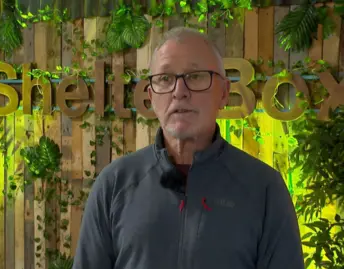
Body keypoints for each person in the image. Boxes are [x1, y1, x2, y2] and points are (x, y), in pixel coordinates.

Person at [72, 27, 304, 269]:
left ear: (224, 92)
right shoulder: (114, 184)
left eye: (195, 76)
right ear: (150, 97)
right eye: (165, 79)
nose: (179, 92)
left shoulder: (264, 189)